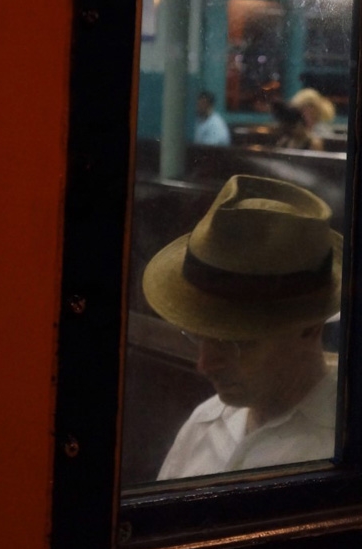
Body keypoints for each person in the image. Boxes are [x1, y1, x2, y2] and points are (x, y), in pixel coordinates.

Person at [143, 174, 342, 479]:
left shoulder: (341, 446)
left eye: (237, 342)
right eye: (199, 338)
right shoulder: (204, 423)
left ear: (310, 328)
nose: (204, 364)